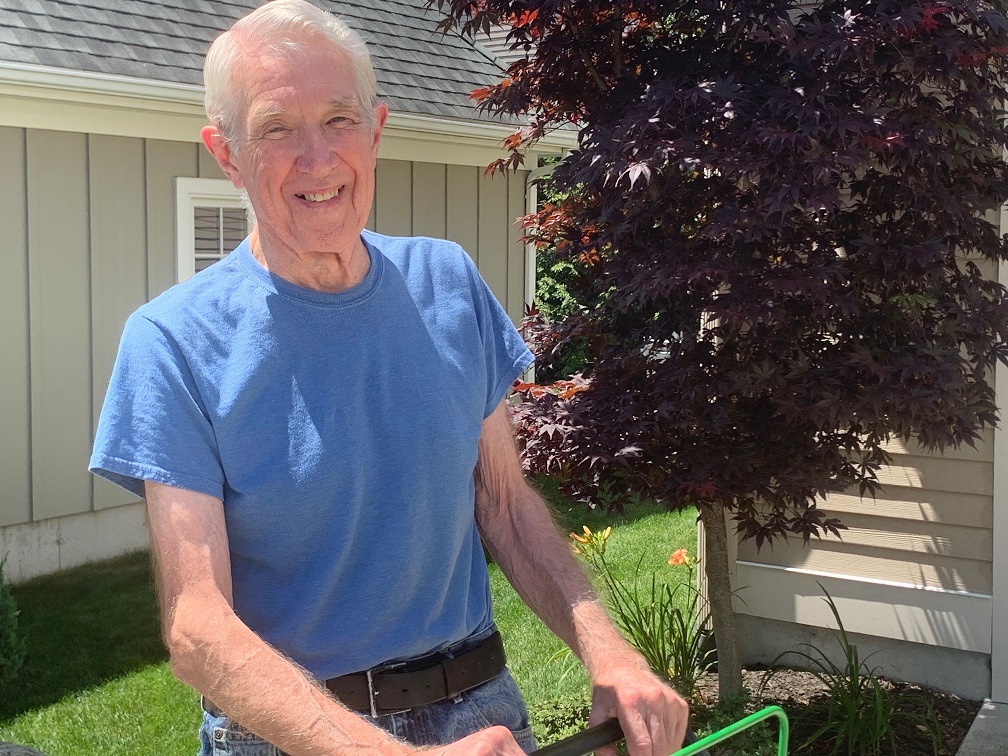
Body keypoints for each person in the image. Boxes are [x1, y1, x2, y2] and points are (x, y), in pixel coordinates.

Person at [89, 1, 690, 754]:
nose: (317, 158)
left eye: (339, 120)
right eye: (277, 128)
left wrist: (610, 652)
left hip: (481, 712)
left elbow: (502, 502)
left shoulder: (449, 281)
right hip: (291, 737)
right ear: (227, 154)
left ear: (375, 131)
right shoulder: (171, 341)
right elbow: (197, 628)